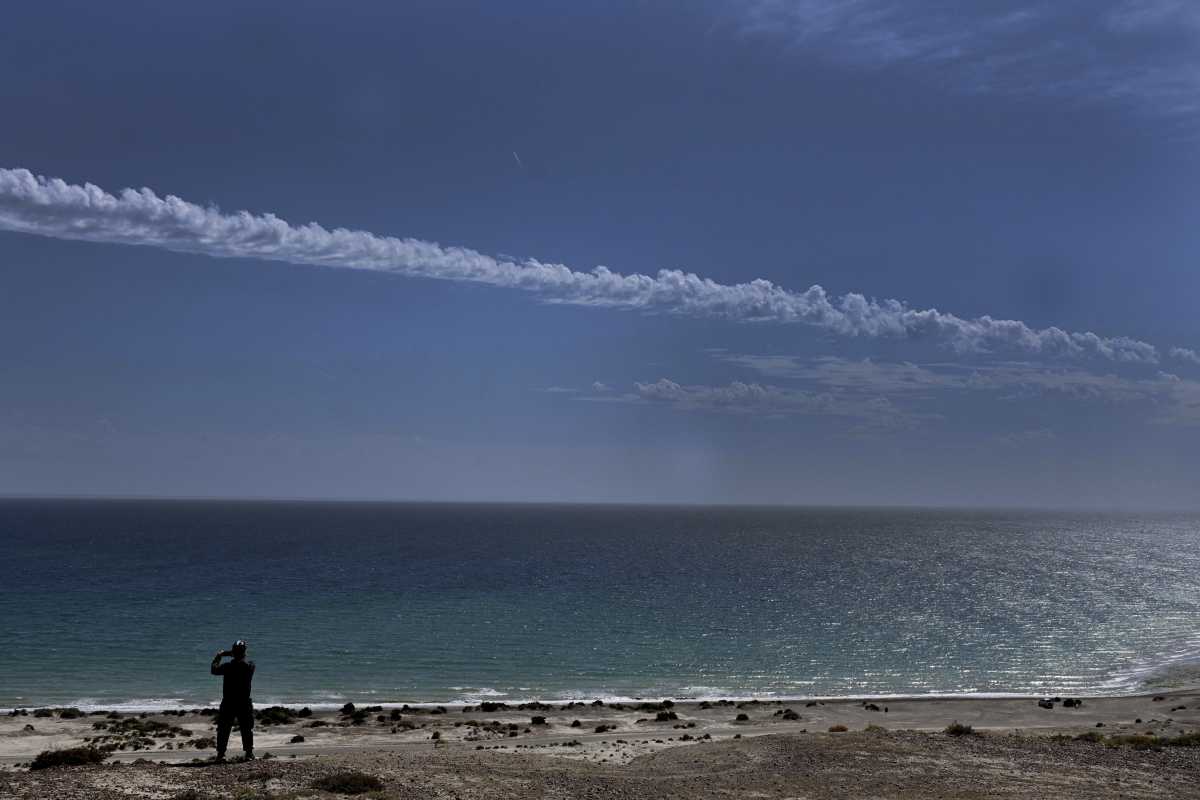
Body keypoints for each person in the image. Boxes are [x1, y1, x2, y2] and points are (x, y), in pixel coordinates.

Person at [210, 639, 256, 761]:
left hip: (228, 702)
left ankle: (221, 755)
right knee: (246, 728)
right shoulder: (249, 667)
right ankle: (249, 753)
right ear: (245, 653)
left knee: (223, 730)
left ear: (233, 653)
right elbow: (246, 661)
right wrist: (234, 654)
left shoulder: (227, 667)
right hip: (244, 702)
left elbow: (214, 669)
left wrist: (220, 655)